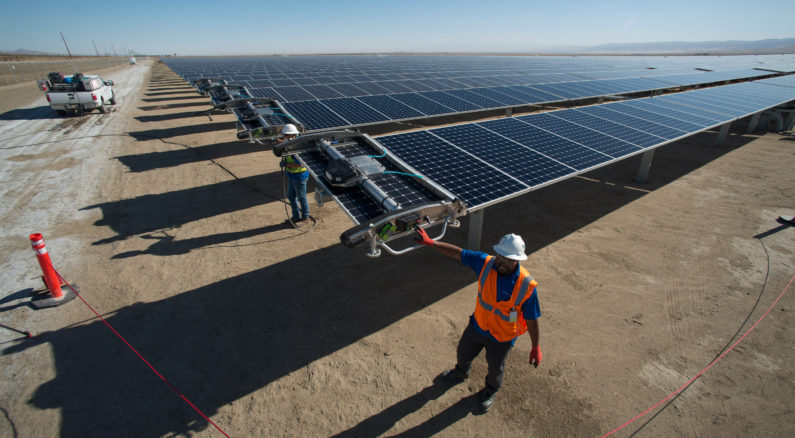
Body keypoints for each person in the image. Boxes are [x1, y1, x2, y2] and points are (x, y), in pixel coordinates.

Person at [414, 228, 542, 413]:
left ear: (518, 260)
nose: (503, 262)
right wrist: (431, 243)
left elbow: (532, 319)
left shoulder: (527, 286)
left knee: (495, 368)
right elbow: (458, 253)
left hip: (502, 337)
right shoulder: (485, 263)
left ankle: (489, 392)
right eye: (501, 256)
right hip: (478, 326)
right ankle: (460, 372)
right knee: (463, 352)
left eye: (509, 259)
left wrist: (535, 346)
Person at [279, 124, 309, 225]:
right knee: (291, 196)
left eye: (285, 135)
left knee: (301, 197)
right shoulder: (290, 144)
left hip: (299, 176)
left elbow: (300, 163)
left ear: (291, 136)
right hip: (291, 175)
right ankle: (295, 217)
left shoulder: (296, 147)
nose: (284, 137)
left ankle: (305, 218)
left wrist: (286, 164)